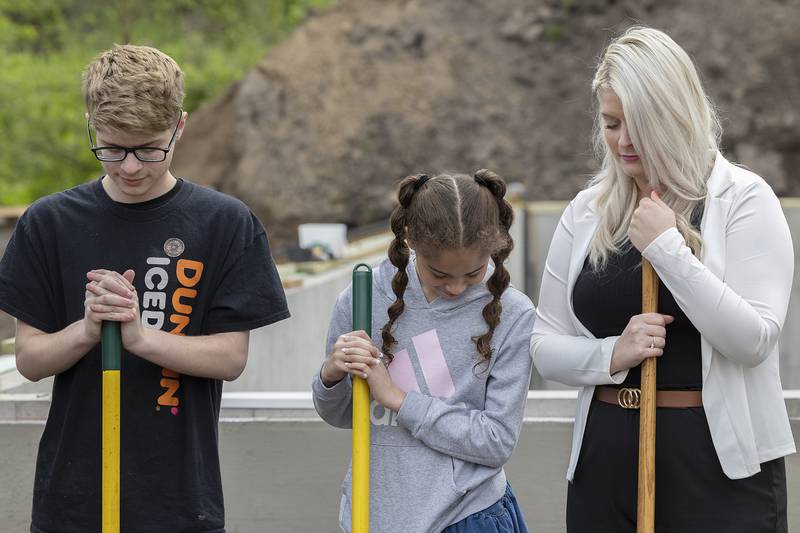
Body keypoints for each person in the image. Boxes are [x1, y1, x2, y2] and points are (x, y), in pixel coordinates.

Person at [0, 45, 290, 533]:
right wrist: (89, 329)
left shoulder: (224, 222)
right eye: (112, 148)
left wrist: (139, 337)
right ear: (91, 124)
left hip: (180, 504)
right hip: (72, 504)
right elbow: (30, 360)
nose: (130, 167)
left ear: (180, 124)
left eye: (149, 148)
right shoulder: (49, 223)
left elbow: (230, 358)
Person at [531, 26, 793, 532]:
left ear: (675, 115)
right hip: (604, 463)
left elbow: (754, 339)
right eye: (610, 123)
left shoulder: (743, 199)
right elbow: (540, 341)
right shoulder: (587, 212)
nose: (622, 141)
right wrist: (610, 354)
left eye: (638, 124)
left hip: (716, 468)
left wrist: (667, 249)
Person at [312, 170, 534, 532]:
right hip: (373, 515)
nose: (457, 287)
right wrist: (331, 374)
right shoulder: (363, 297)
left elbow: (497, 441)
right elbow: (340, 416)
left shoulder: (514, 313)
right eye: (440, 274)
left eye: (473, 273)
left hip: (467, 516)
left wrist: (400, 400)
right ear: (411, 241)